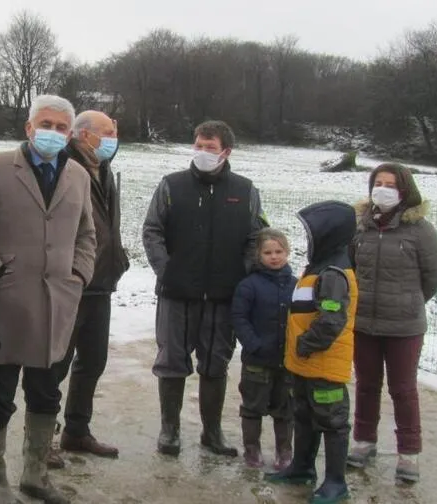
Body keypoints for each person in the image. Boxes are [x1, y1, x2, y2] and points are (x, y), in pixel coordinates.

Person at [0, 94, 96, 504]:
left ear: (70, 133)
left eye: (61, 127)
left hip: (59, 304)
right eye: (46, 124)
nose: (53, 133)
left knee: (46, 394)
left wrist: (78, 274)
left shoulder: (77, 174)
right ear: (28, 127)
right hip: (5, 303)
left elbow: (86, 234)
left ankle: (35, 476)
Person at [142, 120, 267, 458]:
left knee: (215, 364)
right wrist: (166, 270)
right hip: (177, 294)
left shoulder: (246, 190)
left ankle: (212, 432)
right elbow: (152, 230)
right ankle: (170, 428)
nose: (202, 152)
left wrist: (242, 273)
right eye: (198, 145)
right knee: (172, 361)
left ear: (226, 151)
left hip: (224, 297)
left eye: (210, 147)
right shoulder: (171, 186)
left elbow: (256, 237)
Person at [347, 163, 437, 483]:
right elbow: (349, 268)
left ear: (404, 190)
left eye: (390, 184)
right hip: (364, 324)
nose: (383, 189)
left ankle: (409, 453)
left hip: (404, 326)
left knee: (403, 390)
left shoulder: (420, 230)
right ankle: (364, 442)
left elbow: (435, 275)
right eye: (379, 182)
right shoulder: (360, 226)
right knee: (366, 385)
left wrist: (410, 301)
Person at [266, 201, 358, 504]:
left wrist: (306, 344)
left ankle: (335, 482)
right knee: (303, 416)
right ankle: (302, 467)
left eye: (312, 232)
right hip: (305, 365)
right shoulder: (318, 267)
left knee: (332, 422)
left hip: (323, 366)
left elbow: (332, 319)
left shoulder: (333, 274)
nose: (308, 238)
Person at [52, 110, 128, 461]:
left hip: (101, 284)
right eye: (107, 132)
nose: (114, 137)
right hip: (71, 283)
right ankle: (39, 439)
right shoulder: (61, 168)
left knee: (93, 361)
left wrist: (118, 256)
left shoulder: (104, 169)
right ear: (84, 135)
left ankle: (76, 431)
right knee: (55, 364)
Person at [231, 229, 298, 470]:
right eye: (268, 252)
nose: (274, 257)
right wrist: (253, 343)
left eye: (279, 251)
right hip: (257, 360)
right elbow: (239, 318)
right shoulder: (249, 286)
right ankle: (252, 448)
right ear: (258, 255)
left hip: (287, 361)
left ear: (287, 253)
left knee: (285, 409)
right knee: (252, 407)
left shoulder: (296, 285)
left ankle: (284, 450)